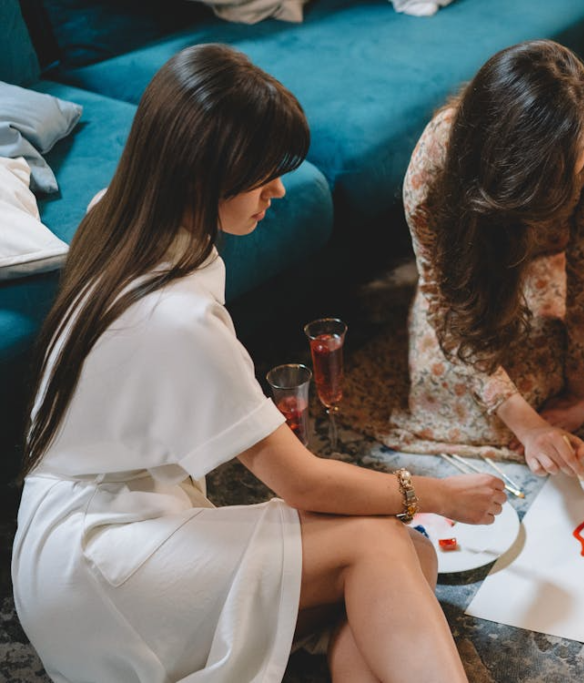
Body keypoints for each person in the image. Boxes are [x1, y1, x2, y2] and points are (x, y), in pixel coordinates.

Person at [12, 44, 505, 683]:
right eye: (261, 171)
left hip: (75, 537)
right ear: (201, 173)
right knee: (379, 542)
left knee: (407, 557)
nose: (278, 188)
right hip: (99, 568)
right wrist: (439, 494)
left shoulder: (116, 213)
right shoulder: (176, 318)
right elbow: (301, 481)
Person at [374, 39, 584, 479]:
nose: (567, 178)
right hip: (485, 270)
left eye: (575, 157)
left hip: (565, 252)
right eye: (547, 169)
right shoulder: (436, 167)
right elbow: (445, 296)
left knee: (562, 381)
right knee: (459, 407)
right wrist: (528, 426)